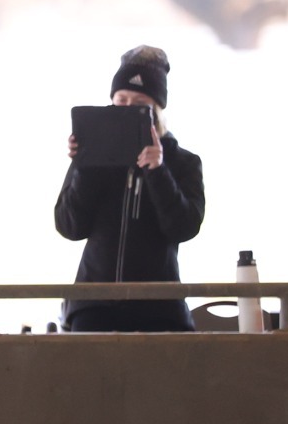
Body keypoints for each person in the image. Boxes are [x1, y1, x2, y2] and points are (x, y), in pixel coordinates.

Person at [55, 44, 206, 332]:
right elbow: (69, 226)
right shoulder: (93, 157)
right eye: (120, 100)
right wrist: (85, 167)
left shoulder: (183, 162)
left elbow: (184, 227)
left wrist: (158, 171)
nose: (126, 109)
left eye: (139, 103)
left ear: (156, 111)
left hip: (160, 307)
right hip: (93, 305)